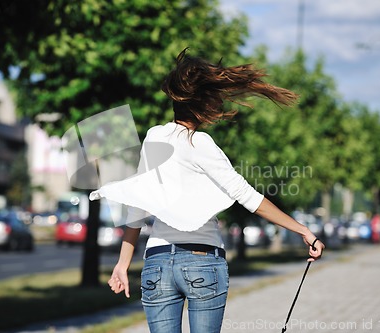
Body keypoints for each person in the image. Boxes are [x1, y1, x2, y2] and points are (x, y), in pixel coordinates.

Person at [91, 48, 325, 333]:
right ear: (203, 104)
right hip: (202, 262)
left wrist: (122, 263)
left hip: (157, 263)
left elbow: (138, 206)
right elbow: (249, 197)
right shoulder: (200, 144)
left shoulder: (153, 137)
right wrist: (303, 231)